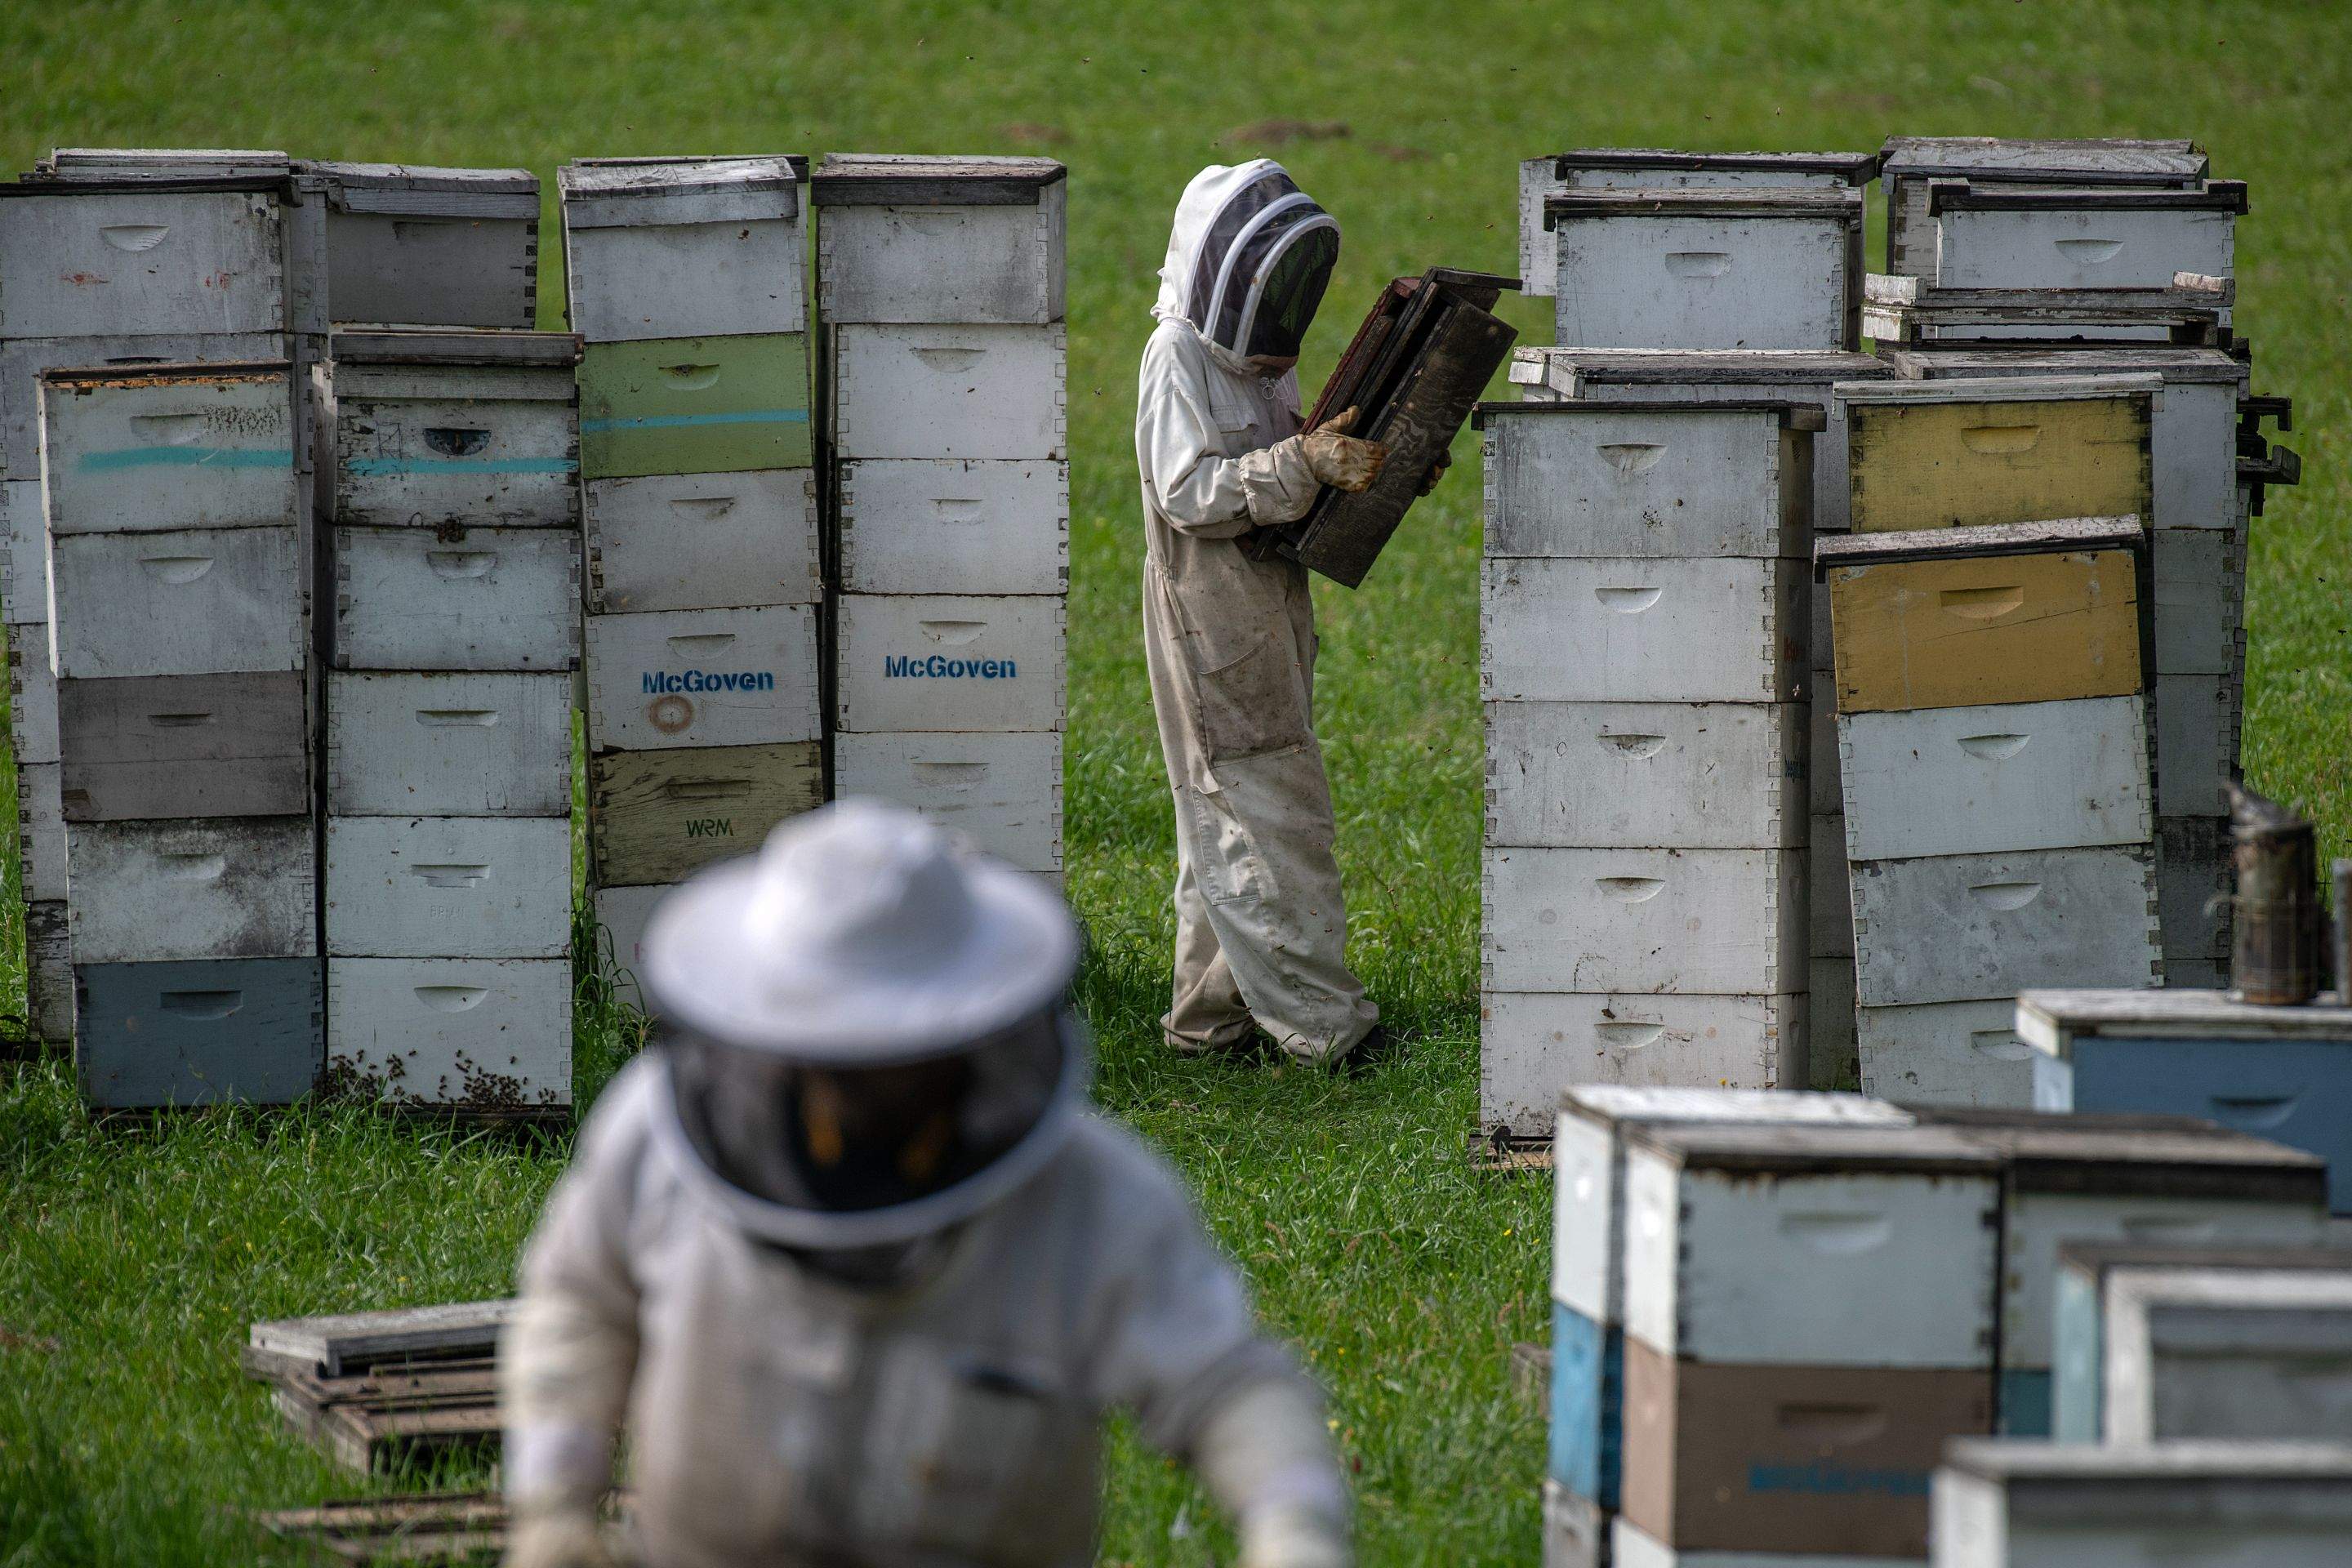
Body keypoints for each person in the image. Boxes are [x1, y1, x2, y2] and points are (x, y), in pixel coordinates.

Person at [500, 800, 1352, 1568]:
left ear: (965, 1027)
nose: (868, 1078)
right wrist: (552, 1503)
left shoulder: (1091, 1197)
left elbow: (1227, 1385)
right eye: (841, 1053)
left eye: (892, 1054)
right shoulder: (654, 1140)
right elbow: (580, 1304)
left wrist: (1296, 1530)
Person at [1135, 159, 1440, 1069]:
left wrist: (1388, 457)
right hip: (1210, 618)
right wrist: (1304, 464)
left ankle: (1207, 1027)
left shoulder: (1260, 365)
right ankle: (1331, 1037)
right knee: (1268, 819)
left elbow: (1298, 468)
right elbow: (1190, 493)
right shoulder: (1176, 357)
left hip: (1266, 610)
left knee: (1221, 819)